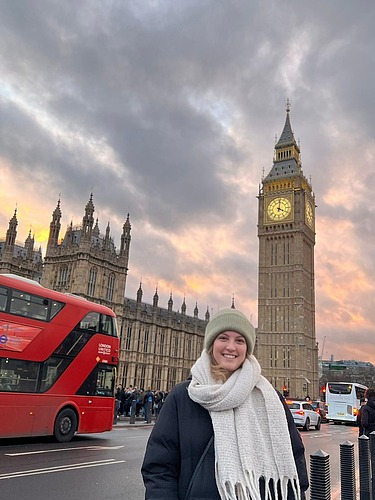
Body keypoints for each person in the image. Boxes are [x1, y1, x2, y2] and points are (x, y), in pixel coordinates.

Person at [142, 308, 309, 499]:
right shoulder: (183, 396)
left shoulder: (269, 398)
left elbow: (294, 460)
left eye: (240, 340)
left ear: (247, 348)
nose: (231, 346)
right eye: (223, 338)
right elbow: (159, 469)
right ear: (211, 344)